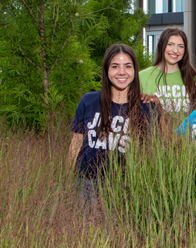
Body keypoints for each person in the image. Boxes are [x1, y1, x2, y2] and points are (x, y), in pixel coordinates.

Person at [66, 44, 157, 210]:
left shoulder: (147, 107)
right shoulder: (89, 101)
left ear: (135, 71)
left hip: (126, 186)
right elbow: (75, 144)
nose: (121, 72)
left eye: (127, 66)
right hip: (87, 184)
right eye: (115, 66)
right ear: (106, 70)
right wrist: (65, 183)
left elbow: (153, 152)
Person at [140, 27, 196, 121]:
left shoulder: (194, 78)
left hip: (187, 135)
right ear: (161, 45)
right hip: (156, 134)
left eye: (180, 46)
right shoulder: (142, 77)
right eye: (170, 44)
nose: (175, 51)